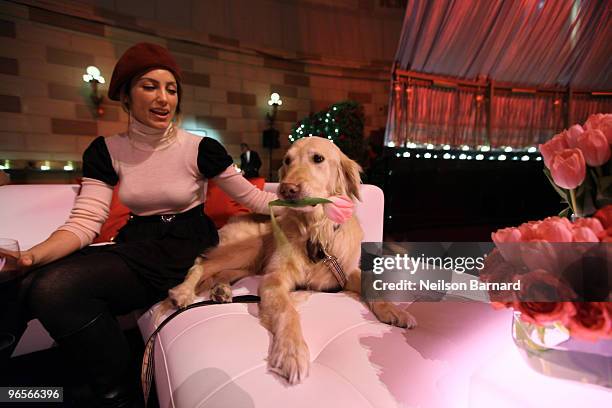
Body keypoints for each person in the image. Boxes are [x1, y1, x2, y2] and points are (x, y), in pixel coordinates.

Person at [0, 43, 277, 407]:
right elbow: (85, 222)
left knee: (54, 288)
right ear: (127, 97)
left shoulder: (201, 148)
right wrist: (33, 257)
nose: (163, 98)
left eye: (171, 89)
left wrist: (315, 204)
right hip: (137, 242)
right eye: (149, 86)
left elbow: (256, 199)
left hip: (185, 245)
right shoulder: (105, 150)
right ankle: (24, 390)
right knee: (26, 279)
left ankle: (121, 394)